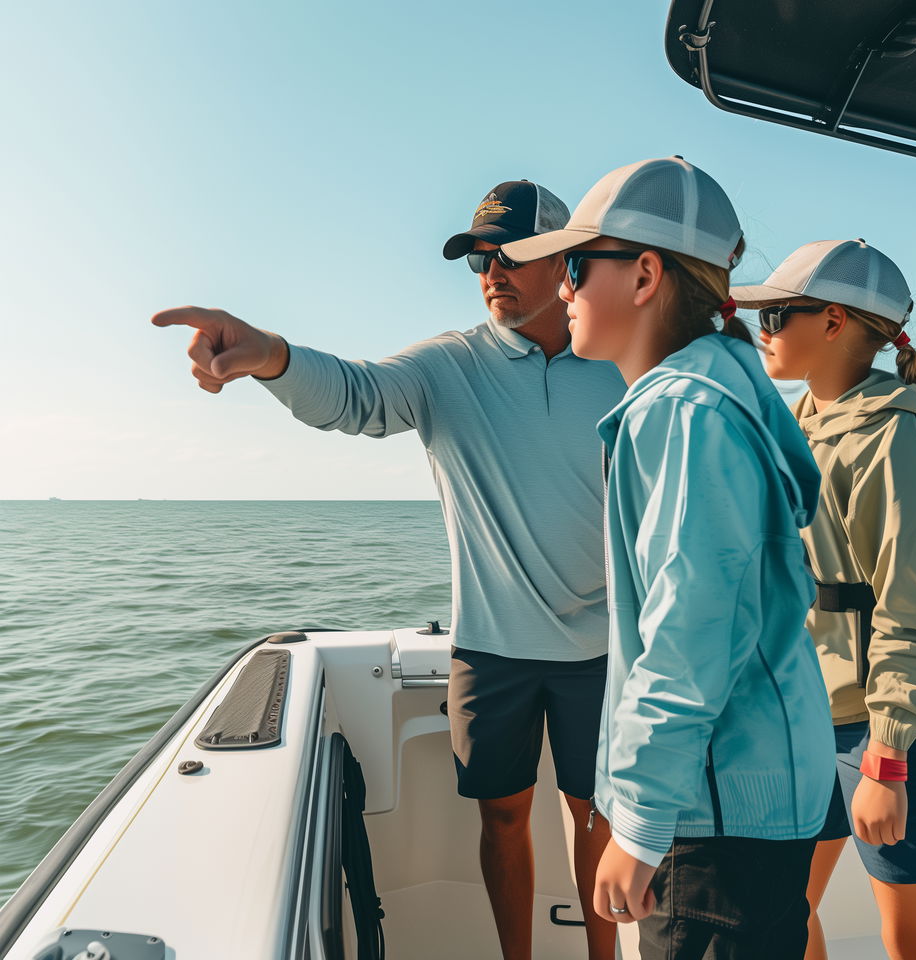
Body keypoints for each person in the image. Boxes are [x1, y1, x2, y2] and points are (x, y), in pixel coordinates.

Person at [152, 179, 626, 960]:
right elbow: (356, 394)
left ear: (564, 260)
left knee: (597, 817)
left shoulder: (619, 365)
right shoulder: (449, 367)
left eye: (508, 254)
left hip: (602, 650)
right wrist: (269, 355)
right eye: (477, 259)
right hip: (493, 649)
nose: (490, 272)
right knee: (502, 819)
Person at [502, 157, 837, 960]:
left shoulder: (682, 413)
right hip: (743, 800)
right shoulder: (717, 389)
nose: (564, 287)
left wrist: (643, 823)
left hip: (712, 821)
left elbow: (690, 635)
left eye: (578, 265)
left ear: (645, 274)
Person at [733, 240, 916, 960]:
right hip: (809, 717)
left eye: (776, 314)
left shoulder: (898, 441)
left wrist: (888, 758)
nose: (761, 329)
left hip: (895, 727)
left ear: (833, 322)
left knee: (915, 944)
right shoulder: (797, 425)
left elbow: (914, 611)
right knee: (773, 911)